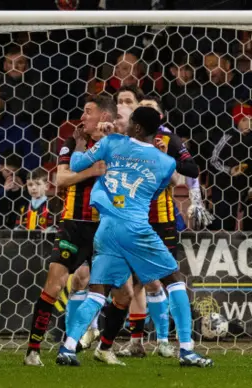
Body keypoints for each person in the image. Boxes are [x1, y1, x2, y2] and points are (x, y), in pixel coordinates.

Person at [55, 107, 213, 368]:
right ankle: (186, 350)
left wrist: (82, 144)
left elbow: (76, 165)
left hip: (106, 227)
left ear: (137, 127)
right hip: (136, 227)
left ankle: (68, 348)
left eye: (129, 122)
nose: (124, 124)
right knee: (173, 280)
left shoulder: (111, 142)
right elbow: (157, 190)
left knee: (98, 290)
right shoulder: (165, 162)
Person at [23, 95, 115, 367]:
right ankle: (33, 350)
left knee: (119, 291)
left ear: (104, 117)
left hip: (105, 227)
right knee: (55, 285)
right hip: (74, 224)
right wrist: (92, 171)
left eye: (88, 112)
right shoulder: (72, 142)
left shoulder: (116, 144)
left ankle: (88, 346)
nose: (82, 116)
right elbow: (60, 178)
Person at [118, 96, 210, 359]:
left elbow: (192, 168)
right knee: (135, 282)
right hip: (134, 219)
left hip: (162, 220)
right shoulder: (125, 144)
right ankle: (137, 342)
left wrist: (165, 159)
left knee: (166, 279)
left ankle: (171, 342)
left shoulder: (169, 141)